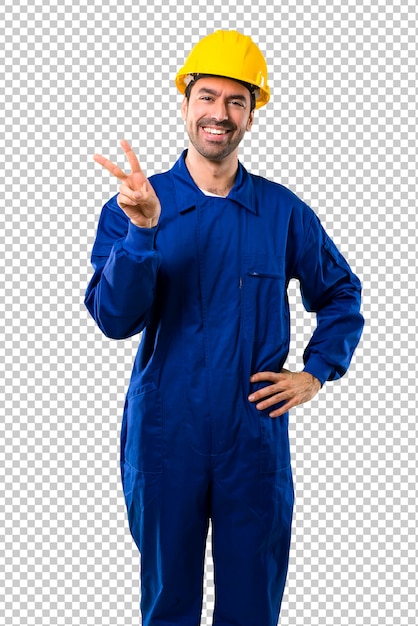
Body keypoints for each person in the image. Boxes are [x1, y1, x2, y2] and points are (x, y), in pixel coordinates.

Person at [85, 29, 364, 626]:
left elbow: (341, 293)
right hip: (166, 435)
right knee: (169, 602)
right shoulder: (137, 202)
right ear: (184, 104)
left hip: (253, 437)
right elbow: (114, 319)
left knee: (252, 605)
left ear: (252, 115)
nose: (220, 113)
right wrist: (142, 233)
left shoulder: (282, 211)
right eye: (207, 96)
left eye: (236, 101)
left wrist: (317, 372)